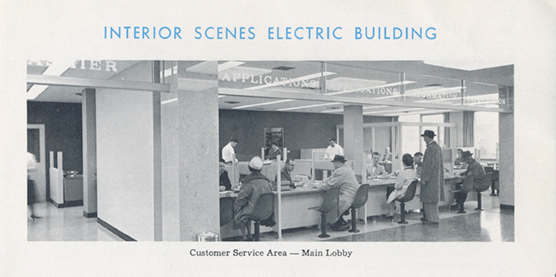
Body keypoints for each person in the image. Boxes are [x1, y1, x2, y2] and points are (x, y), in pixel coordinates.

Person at [313, 155, 360, 231]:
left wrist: (318, 186)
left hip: (348, 196)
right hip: (355, 195)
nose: (333, 165)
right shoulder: (347, 168)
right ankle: (340, 222)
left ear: (337, 163)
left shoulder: (340, 171)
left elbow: (330, 185)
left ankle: (337, 222)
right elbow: (331, 178)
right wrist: (323, 181)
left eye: (334, 163)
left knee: (332, 202)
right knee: (335, 200)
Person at [233, 156, 275, 241]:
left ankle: (245, 237)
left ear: (249, 168)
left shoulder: (249, 182)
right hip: (267, 212)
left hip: (252, 211)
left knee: (239, 210)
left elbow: (241, 199)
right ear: (261, 169)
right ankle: (249, 235)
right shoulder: (267, 181)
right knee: (246, 210)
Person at [419, 130, 445, 224]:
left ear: (426, 137)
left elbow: (428, 165)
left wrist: (425, 178)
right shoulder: (438, 148)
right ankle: (433, 217)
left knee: (429, 200)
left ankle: (431, 219)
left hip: (430, 180)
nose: (424, 139)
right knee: (434, 200)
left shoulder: (430, 149)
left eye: (424, 137)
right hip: (436, 179)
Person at [27, 152, 40, 220]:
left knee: (31, 198)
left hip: (29, 178)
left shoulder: (30, 155)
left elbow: (34, 166)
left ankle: (33, 213)